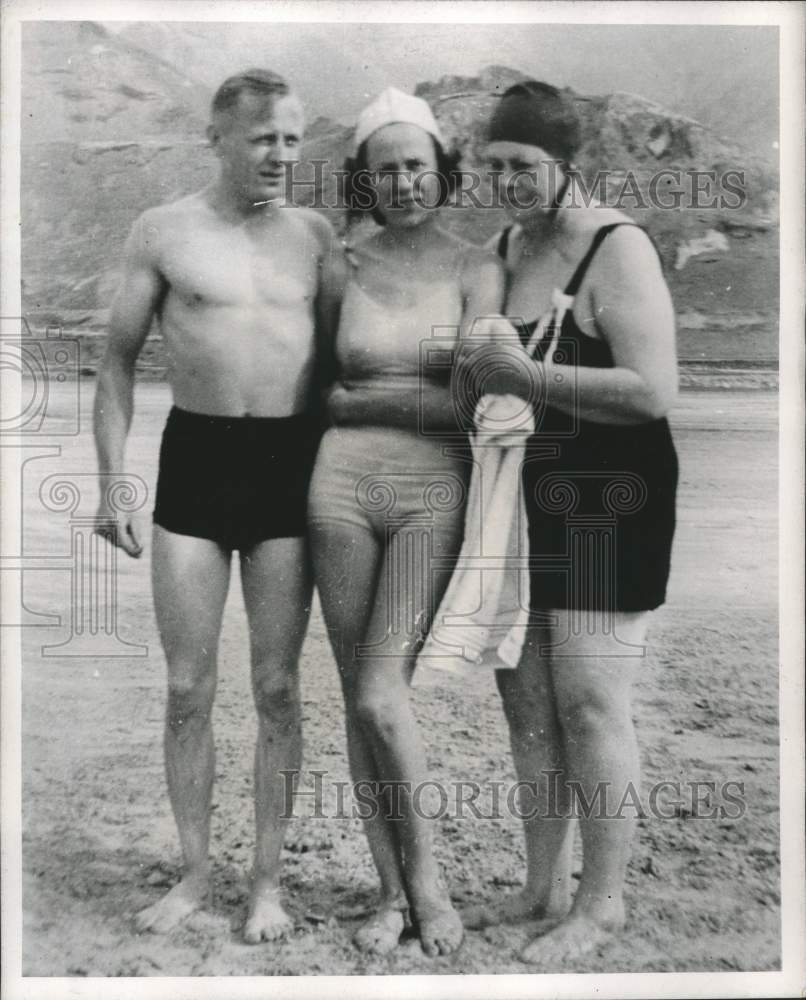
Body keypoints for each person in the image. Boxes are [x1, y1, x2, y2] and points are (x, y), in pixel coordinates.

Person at [93, 69, 343, 942]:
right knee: (187, 686)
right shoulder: (162, 230)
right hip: (194, 462)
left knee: (277, 688)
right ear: (219, 138)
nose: (281, 154)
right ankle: (196, 873)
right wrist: (112, 483)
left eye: (291, 137)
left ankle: (266, 883)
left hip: (287, 465)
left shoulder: (315, 236)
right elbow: (118, 364)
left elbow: (352, 370)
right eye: (264, 137)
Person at [461, 81, 679, 964]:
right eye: (495, 166)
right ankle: (541, 886)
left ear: (568, 165)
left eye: (525, 167)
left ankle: (604, 902)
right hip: (522, 495)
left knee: (591, 704)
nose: (508, 182)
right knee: (528, 706)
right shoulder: (510, 247)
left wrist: (531, 382)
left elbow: (653, 392)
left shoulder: (616, 247)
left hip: (607, 497)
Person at [307, 88, 506, 957]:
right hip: (337, 491)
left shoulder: (477, 266)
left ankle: (428, 883)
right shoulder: (340, 261)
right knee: (358, 700)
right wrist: (366, 400)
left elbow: (470, 401)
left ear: (440, 172)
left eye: (415, 165)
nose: (401, 181)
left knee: (386, 694)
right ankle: (387, 893)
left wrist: (366, 397)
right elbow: (315, 389)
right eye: (384, 168)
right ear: (365, 177)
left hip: (434, 492)